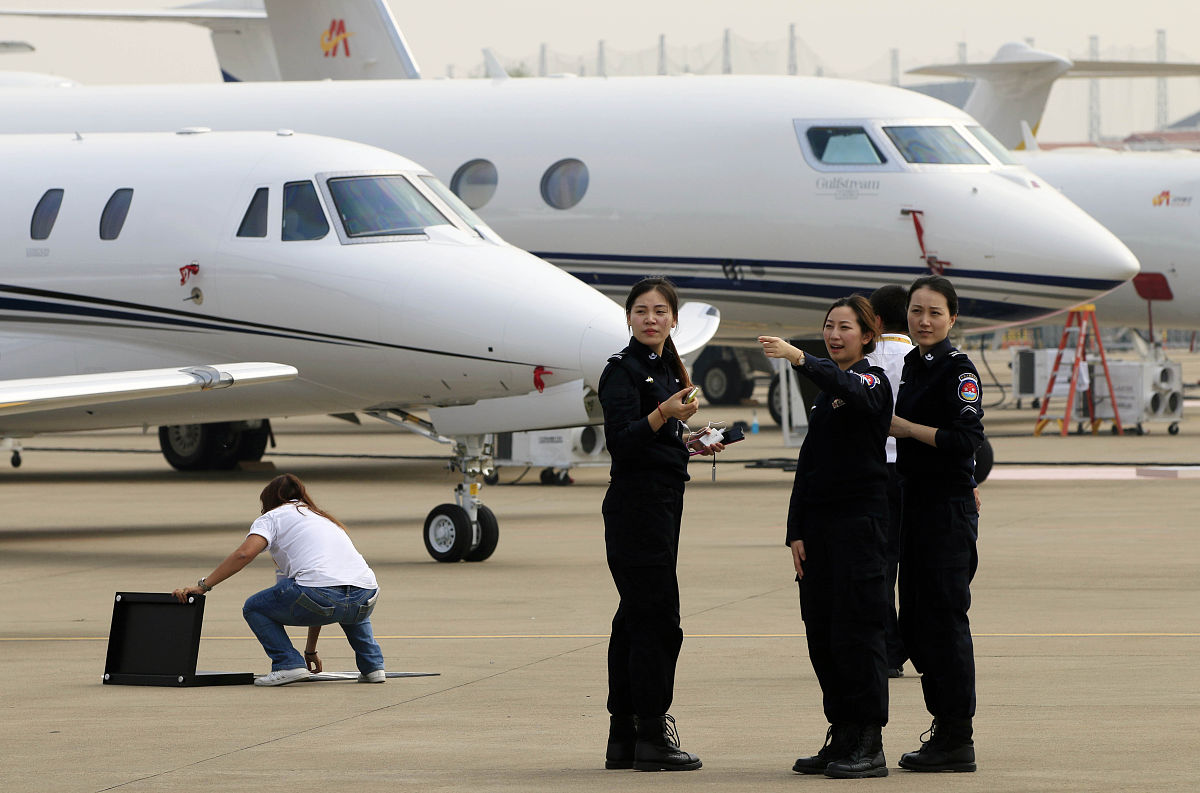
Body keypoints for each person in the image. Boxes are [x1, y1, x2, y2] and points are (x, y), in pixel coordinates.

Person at [759, 294, 893, 780]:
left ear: (867, 335)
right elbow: (808, 467)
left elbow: (849, 386)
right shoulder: (825, 396)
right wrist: (796, 530)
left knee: (859, 634)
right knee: (824, 635)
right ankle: (840, 732)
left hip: (860, 528)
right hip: (820, 532)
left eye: (845, 327)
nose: (835, 335)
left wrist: (799, 357)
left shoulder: (871, 382)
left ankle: (869, 740)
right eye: (829, 326)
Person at [598, 276, 723, 772]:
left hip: (663, 505)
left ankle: (623, 735)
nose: (651, 319)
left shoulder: (669, 368)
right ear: (629, 317)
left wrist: (690, 440)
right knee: (658, 622)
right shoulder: (621, 372)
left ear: (674, 319)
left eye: (661, 311)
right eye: (642, 311)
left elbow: (659, 437)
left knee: (633, 619)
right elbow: (623, 441)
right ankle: (651, 730)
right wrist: (662, 416)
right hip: (636, 508)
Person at [889, 275, 985, 772]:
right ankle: (942, 726)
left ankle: (957, 735)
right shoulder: (910, 364)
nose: (923, 321)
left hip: (946, 511)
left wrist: (907, 429)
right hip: (914, 507)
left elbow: (967, 438)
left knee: (945, 622)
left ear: (952, 319)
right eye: (916, 311)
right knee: (920, 623)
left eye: (934, 313)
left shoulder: (958, 370)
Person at [173, 473, 386, 687]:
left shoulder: (272, 518)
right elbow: (324, 594)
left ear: (270, 501)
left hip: (320, 592)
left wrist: (203, 586)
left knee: (254, 607)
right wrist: (310, 650)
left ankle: (287, 664)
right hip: (366, 594)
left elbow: (244, 555)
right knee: (350, 603)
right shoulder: (323, 518)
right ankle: (373, 667)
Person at [867, 285, 915, 679]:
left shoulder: (866, 362)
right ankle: (919, 643)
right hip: (913, 470)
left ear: (875, 320)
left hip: (876, 470)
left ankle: (887, 648)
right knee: (917, 561)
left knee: (880, 564)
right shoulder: (920, 361)